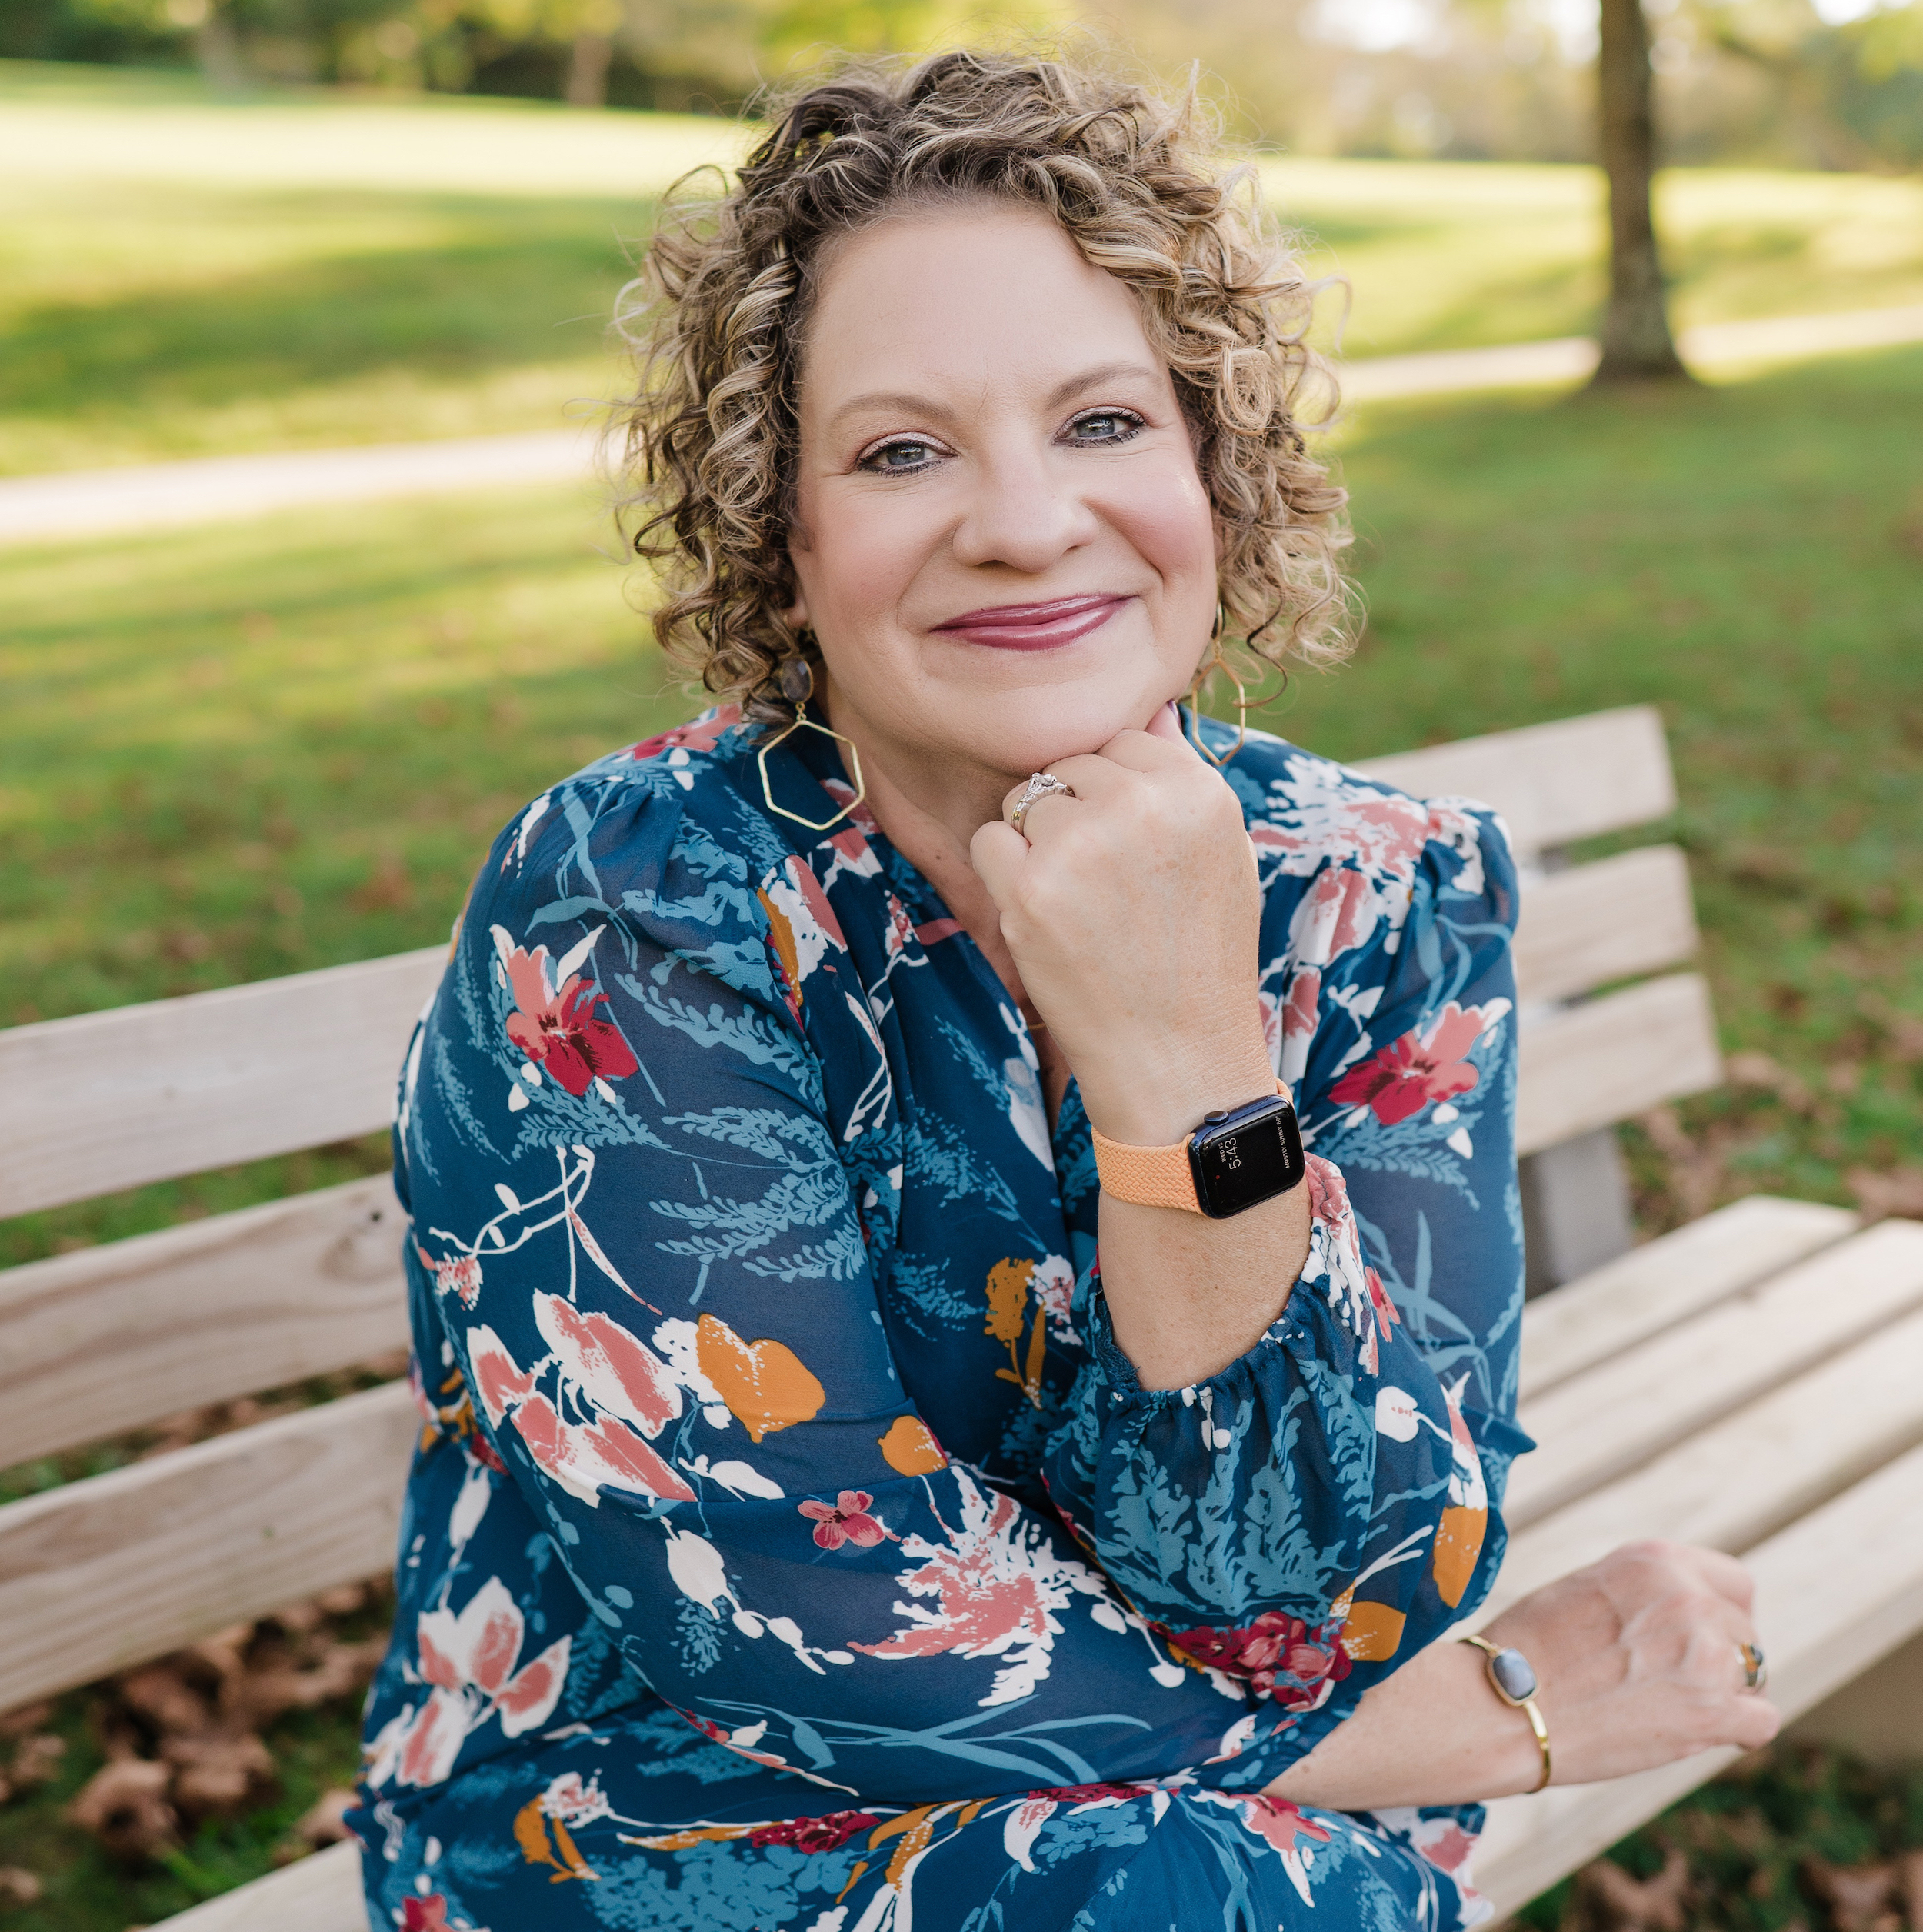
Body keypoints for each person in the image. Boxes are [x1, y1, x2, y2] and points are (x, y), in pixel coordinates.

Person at [348, 52, 1778, 1932]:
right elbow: (804, 1625)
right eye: (901, 449)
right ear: (780, 527)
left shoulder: (1383, 890)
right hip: (660, 1815)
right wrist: (1464, 1724)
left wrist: (1186, 1054)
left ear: (1212, 467)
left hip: (1184, 1822)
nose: (1025, 522)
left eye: (1102, 421)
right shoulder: (633, 913)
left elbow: (1341, 1575)